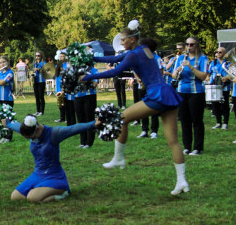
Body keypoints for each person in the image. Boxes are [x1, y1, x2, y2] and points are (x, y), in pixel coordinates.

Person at [81, 23, 189, 195]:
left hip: (156, 95)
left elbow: (114, 70)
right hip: (167, 93)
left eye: (123, 40)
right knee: (173, 141)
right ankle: (182, 181)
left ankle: (119, 158)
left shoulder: (133, 54)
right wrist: (95, 59)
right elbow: (116, 59)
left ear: (132, 39)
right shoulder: (144, 48)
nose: (121, 42)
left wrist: (90, 76)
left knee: (121, 118)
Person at [5, 114, 102, 203]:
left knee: (32, 198)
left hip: (54, 176)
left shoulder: (54, 134)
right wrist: (8, 123)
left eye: (33, 137)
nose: (33, 140)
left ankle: (63, 193)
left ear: (38, 128)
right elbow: (16, 126)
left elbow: (73, 128)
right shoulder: (28, 129)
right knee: (15, 197)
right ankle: (40, 189)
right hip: (38, 174)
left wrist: (94, 123)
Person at [173, 37, 209, 155]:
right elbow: (173, 76)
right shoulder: (181, 58)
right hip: (182, 91)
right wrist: (177, 71)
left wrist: (191, 67)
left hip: (196, 92)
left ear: (197, 45)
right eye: (187, 44)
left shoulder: (203, 59)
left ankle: (197, 147)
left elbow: (203, 76)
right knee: (184, 120)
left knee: (197, 120)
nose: (189, 47)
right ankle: (187, 146)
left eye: (191, 44)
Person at [0, 55, 16, 143]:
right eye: (0, 63)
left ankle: (8, 137)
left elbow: (2, 82)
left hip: (7, 99)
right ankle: (3, 135)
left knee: (7, 118)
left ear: (8, 62)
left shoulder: (10, 73)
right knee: (0, 117)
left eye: (4, 62)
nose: (2, 64)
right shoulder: (1, 73)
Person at [207, 47, 230, 131]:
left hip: (225, 86)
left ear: (224, 53)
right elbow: (208, 73)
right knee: (215, 105)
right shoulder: (213, 62)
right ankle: (218, 122)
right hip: (214, 86)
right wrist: (207, 78)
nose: (218, 54)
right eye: (216, 52)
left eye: (220, 52)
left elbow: (232, 74)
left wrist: (227, 77)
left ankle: (225, 123)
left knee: (225, 105)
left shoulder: (228, 63)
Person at [31, 51, 47, 116]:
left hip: (41, 81)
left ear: (41, 56)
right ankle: (38, 110)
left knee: (41, 97)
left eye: (38, 56)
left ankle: (42, 111)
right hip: (36, 81)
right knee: (37, 97)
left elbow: (46, 71)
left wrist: (38, 69)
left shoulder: (44, 63)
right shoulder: (35, 63)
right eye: (36, 56)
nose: (37, 57)